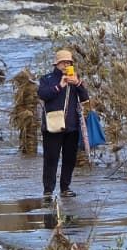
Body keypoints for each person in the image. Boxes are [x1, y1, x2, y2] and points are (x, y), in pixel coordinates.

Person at [37, 48, 90, 199]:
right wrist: (60, 85)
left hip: (72, 126)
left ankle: (65, 188)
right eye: (63, 62)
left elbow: (85, 98)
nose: (66, 65)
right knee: (51, 159)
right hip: (52, 126)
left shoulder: (75, 79)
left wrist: (78, 83)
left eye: (69, 62)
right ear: (57, 64)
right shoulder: (47, 79)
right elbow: (43, 95)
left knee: (69, 159)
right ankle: (48, 190)